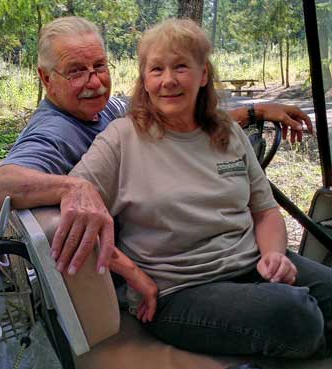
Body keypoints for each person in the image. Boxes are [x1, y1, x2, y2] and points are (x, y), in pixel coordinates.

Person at [68, 18, 332, 358]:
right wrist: (132, 274)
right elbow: (74, 206)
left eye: (181, 67)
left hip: (251, 264)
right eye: (156, 69)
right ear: (144, 80)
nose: (168, 81)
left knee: (309, 307)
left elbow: (265, 211)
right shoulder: (122, 138)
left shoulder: (226, 131)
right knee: (297, 316)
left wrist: (274, 254)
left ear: (203, 74)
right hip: (177, 291)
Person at [0, 16, 313, 278]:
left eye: (100, 66)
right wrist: (73, 186)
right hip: (157, 265)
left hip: (212, 243)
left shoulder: (105, 109)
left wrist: (253, 113)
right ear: (46, 79)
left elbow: (174, 109)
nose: (95, 82)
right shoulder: (56, 130)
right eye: (76, 71)